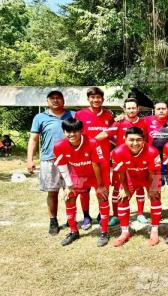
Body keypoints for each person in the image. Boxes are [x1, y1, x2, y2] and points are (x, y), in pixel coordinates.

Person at [53, 118, 109, 246]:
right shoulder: (59, 146)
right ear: (63, 132)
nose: (71, 134)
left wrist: (100, 186)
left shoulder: (93, 142)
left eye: (75, 131)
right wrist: (69, 185)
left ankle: (104, 232)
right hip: (78, 174)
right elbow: (62, 166)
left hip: (98, 173)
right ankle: (73, 231)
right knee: (69, 197)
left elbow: (97, 165)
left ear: (81, 131)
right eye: (68, 131)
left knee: (103, 197)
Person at [27, 90, 75, 235]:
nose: (55, 100)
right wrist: (30, 159)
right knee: (52, 192)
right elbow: (34, 139)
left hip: (71, 160)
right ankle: (53, 221)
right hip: (49, 159)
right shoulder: (40, 117)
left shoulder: (73, 115)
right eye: (52, 98)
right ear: (47, 101)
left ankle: (70, 219)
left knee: (71, 191)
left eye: (58, 98)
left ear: (63, 101)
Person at [97, 98, 149, 225]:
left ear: (138, 109)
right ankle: (115, 215)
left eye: (133, 108)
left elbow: (146, 140)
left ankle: (140, 214)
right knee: (117, 188)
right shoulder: (119, 123)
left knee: (139, 186)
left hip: (139, 161)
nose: (131, 110)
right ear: (124, 110)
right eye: (128, 108)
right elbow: (103, 135)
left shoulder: (143, 123)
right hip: (121, 162)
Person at [111, 127, 162, 246]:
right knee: (122, 198)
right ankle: (124, 232)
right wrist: (124, 188)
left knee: (155, 197)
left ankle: (154, 231)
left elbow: (154, 173)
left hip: (149, 177)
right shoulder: (117, 152)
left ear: (144, 140)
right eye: (131, 140)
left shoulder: (152, 151)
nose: (135, 143)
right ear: (124, 139)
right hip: (131, 177)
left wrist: (153, 189)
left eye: (138, 140)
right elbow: (121, 173)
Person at [74, 87, 114, 230]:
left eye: (98, 97)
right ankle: (86, 216)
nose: (96, 100)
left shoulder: (109, 115)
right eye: (93, 97)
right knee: (84, 189)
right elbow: (74, 134)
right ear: (88, 99)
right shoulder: (80, 114)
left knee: (102, 189)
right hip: (84, 159)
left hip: (102, 159)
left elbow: (114, 130)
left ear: (102, 99)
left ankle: (101, 215)